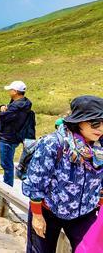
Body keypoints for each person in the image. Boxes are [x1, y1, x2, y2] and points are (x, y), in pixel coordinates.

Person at [23, 95, 103, 253]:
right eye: (95, 123)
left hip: (85, 213)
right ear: (78, 121)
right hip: (48, 211)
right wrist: (37, 216)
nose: (101, 129)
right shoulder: (53, 143)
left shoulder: (100, 147)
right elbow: (35, 181)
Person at [0, 80, 36, 186]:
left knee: (6, 164)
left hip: (7, 138)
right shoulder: (22, 104)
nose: (9, 91)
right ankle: (7, 185)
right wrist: (2, 107)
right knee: (7, 163)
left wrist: (2, 111)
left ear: (15, 91)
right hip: (13, 137)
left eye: (10, 90)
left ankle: (6, 189)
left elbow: (4, 118)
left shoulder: (17, 107)